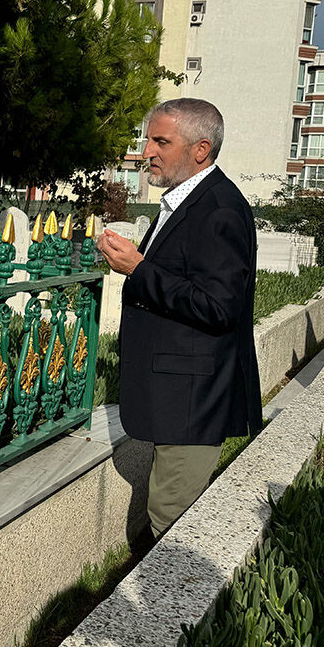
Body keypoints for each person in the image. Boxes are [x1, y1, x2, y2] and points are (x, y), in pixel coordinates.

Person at [96, 98, 260, 539]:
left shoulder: (219, 210)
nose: (146, 150)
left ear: (200, 149)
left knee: (173, 523)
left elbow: (218, 306)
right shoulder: (190, 200)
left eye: (160, 141)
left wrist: (139, 269)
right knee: (168, 513)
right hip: (178, 395)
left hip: (194, 400)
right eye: (148, 138)